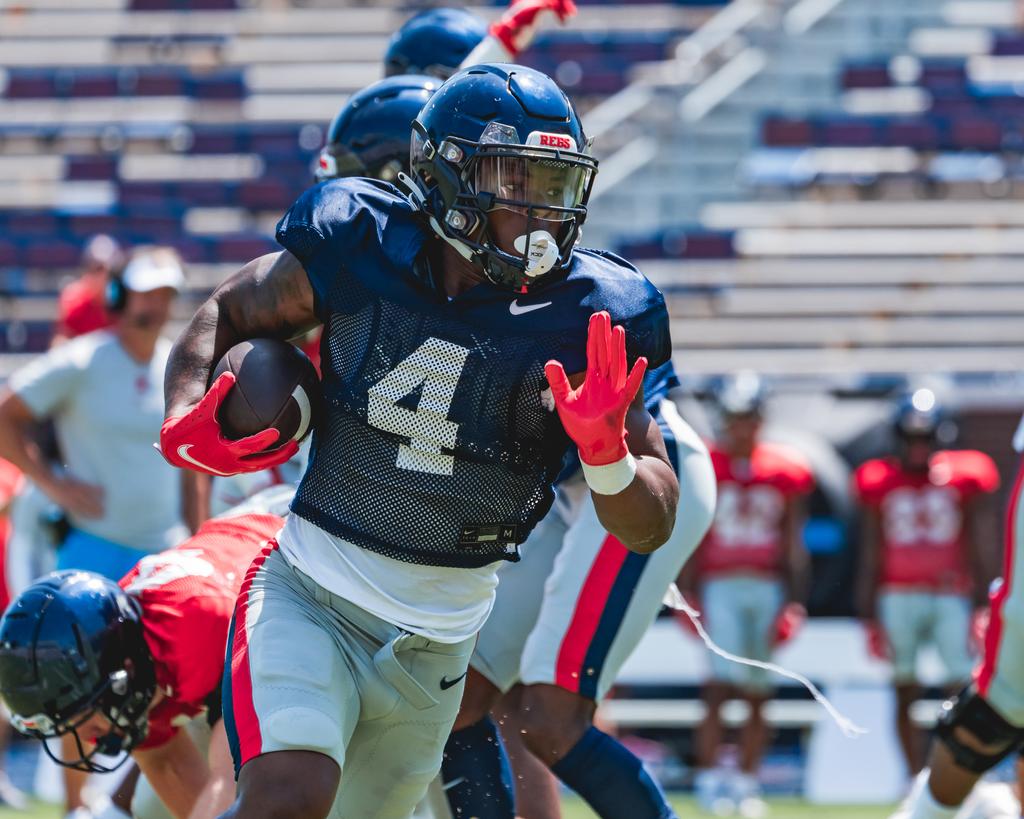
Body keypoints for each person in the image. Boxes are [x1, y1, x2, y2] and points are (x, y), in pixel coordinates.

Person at [158, 64, 680, 819]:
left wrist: (609, 458)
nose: (539, 212)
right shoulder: (360, 242)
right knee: (286, 798)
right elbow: (230, 310)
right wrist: (185, 416)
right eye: (515, 180)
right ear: (448, 178)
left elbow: (652, 521)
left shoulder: (586, 315)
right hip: (309, 595)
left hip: (438, 646)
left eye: (554, 184)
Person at [442, 362, 716, 819]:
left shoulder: (590, 295)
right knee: (449, 701)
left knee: (551, 720)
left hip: (636, 471)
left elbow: (636, 395)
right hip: (559, 483)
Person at [0, 246, 191, 816]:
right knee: (77, 683)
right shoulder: (83, 361)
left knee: (168, 687)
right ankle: (75, 805)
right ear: (118, 296)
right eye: (146, 292)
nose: (156, 306)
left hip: (162, 550)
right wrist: (54, 484)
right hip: (93, 550)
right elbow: (7, 412)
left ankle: (132, 803)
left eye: (165, 295)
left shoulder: (174, 364)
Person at [0, 485, 294, 819]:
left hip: (322, 559)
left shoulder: (199, 626)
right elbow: (168, 764)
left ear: (119, 674)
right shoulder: (126, 650)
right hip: (245, 566)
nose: (81, 737)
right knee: (151, 807)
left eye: (80, 716)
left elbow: (234, 789)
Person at [679, 373, 814, 817]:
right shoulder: (705, 463)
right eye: (735, 419)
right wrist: (688, 591)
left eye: (748, 419)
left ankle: (747, 782)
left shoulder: (783, 469)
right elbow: (690, 534)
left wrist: (795, 600)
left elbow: (793, 541)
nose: (742, 429)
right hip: (719, 584)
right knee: (719, 687)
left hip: (766, 584)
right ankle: (711, 778)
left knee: (759, 692)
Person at [856, 389, 1000, 777]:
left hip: (948, 592)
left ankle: (953, 773)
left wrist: (985, 599)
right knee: (905, 689)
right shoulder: (878, 478)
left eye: (925, 437)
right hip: (897, 593)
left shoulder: (965, 474)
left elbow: (978, 539)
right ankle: (912, 777)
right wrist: (868, 611)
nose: (918, 447)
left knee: (960, 689)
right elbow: (873, 549)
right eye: (910, 438)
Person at [890, 418, 1024, 819]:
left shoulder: (968, 475)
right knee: (1001, 704)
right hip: (908, 592)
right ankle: (927, 811)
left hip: (948, 590)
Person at [52, 235, 123, 345]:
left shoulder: (127, 297)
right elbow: (61, 343)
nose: (103, 275)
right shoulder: (74, 298)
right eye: (97, 268)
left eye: (109, 269)